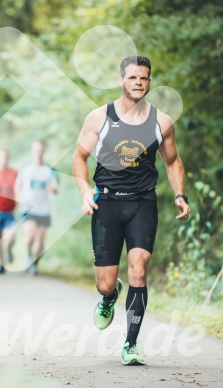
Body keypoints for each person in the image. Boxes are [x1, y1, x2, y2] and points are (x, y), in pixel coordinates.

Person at [72, 55, 190, 366]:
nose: (139, 83)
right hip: (106, 204)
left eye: (144, 78)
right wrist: (86, 191)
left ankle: (131, 344)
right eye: (133, 78)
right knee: (105, 283)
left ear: (150, 82)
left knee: (139, 269)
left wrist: (180, 194)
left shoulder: (161, 121)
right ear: (121, 80)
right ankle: (110, 298)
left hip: (143, 203)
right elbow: (79, 157)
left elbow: (172, 161)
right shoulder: (100, 117)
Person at [16, 140, 59, 276]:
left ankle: (34, 265)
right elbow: (17, 184)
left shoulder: (50, 170)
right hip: (28, 207)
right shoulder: (26, 168)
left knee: (40, 241)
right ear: (32, 151)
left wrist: (52, 189)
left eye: (41, 150)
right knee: (30, 236)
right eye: (36, 150)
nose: (38, 152)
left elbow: (56, 189)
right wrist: (19, 198)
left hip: (44, 209)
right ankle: (28, 255)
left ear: (44, 151)